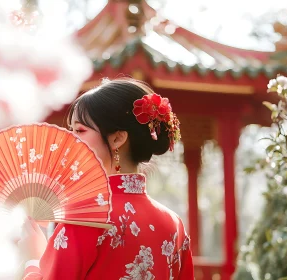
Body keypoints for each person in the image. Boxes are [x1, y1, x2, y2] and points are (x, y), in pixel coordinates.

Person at [18, 78, 194, 280]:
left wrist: (33, 259)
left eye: (80, 130)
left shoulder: (85, 219)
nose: (70, 139)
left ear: (117, 138)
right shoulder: (173, 224)